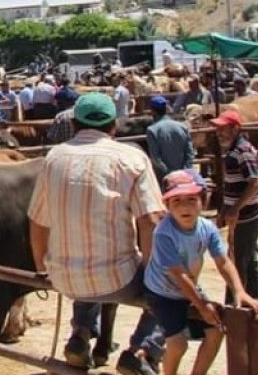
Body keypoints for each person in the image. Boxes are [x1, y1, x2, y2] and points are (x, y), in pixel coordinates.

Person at [29, 93, 165, 374]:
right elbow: (151, 220)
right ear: (114, 126)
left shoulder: (53, 157)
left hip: (64, 278)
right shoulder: (132, 157)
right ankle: (142, 350)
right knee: (174, 286)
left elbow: (37, 221)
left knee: (85, 256)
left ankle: (80, 333)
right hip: (118, 278)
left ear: (75, 125)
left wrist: (42, 266)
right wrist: (155, 275)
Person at [145, 169, 258, 375]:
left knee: (216, 332)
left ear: (204, 201)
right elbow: (177, 273)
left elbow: (223, 260)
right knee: (178, 342)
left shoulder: (207, 228)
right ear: (167, 206)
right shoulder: (164, 232)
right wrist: (201, 305)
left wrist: (239, 290)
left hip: (188, 287)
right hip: (163, 291)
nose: (184, 206)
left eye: (191, 199)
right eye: (176, 201)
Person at [210, 110, 258, 303]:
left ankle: (234, 302)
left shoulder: (242, 151)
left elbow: (255, 182)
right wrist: (226, 209)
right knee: (246, 259)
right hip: (244, 213)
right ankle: (254, 298)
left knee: (237, 261)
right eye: (218, 129)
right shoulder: (236, 150)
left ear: (235, 128)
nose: (219, 133)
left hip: (246, 215)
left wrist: (235, 208)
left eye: (223, 129)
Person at [145, 96, 196, 184]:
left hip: (165, 176)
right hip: (184, 175)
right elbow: (190, 152)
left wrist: (169, 172)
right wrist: (186, 170)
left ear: (153, 111)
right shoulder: (182, 126)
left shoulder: (152, 130)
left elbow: (156, 157)